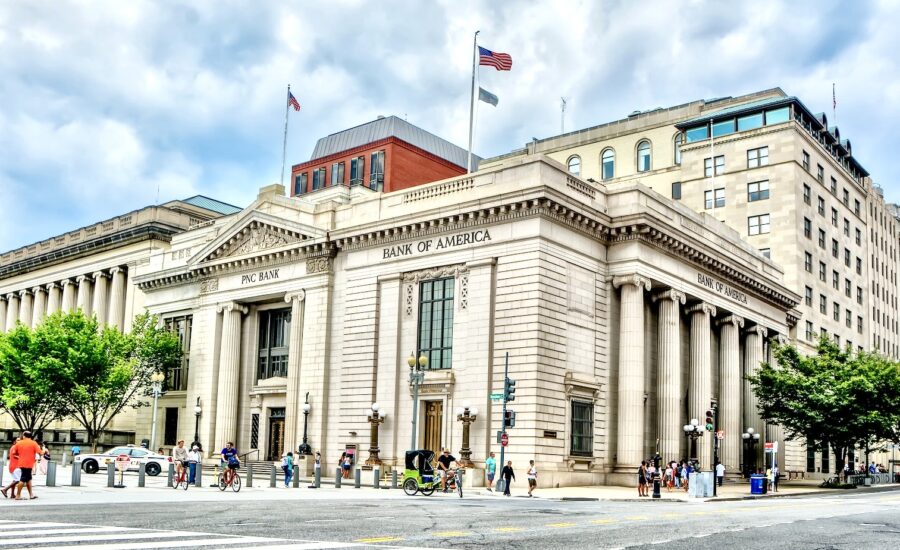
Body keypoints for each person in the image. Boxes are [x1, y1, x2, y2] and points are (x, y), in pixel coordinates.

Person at [11, 431, 42, 500]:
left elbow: (14, 453)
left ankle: (31, 495)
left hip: (21, 463)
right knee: (23, 478)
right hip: (29, 463)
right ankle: (18, 495)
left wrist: (20, 456)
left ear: (24, 436)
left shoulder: (19, 443)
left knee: (28, 478)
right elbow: (40, 452)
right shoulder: (34, 443)